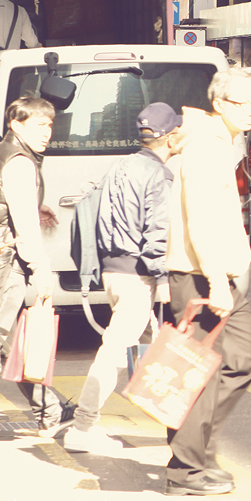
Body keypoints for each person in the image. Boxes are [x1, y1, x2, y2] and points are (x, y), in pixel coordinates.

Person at [164, 69, 251, 496]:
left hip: (214, 274)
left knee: (245, 356)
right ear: (219, 103)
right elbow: (200, 220)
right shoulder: (206, 146)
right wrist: (216, 282)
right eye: (242, 103)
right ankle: (185, 470)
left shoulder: (221, 141)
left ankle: (198, 450)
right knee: (200, 373)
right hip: (199, 276)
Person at [62, 103, 181, 454]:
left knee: (144, 345)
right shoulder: (159, 175)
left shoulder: (120, 165)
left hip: (113, 271)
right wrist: (161, 277)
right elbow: (157, 231)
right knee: (114, 351)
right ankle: (83, 426)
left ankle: (168, 417)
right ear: (170, 136)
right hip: (137, 275)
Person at [0, 96, 73, 431]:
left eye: (50, 125)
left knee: (1, 341)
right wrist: (41, 269)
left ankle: (49, 408)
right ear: (16, 124)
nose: (47, 132)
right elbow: (24, 225)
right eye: (39, 125)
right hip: (3, 265)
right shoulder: (20, 162)